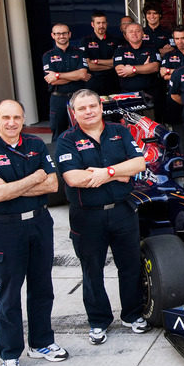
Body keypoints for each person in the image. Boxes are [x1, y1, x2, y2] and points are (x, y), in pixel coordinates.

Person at [0, 100, 67, 366]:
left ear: (24, 119)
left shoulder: (36, 145)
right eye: (5, 117)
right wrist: (34, 177)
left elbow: (52, 184)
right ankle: (10, 355)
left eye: (17, 117)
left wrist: (13, 186)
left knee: (42, 286)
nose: (11, 122)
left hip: (39, 223)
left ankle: (41, 343)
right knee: (9, 293)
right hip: (5, 229)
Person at [56, 89, 149, 345]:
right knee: (92, 270)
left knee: (130, 266)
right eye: (82, 108)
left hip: (122, 211)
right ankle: (98, 322)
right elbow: (73, 178)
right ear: (74, 113)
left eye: (92, 106)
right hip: (87, 217)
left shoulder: (119, 131)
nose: (88, 112)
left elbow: (139, 164)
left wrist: (104, 171)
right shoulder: (66, 140)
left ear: (100, 107)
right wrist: (119, 174)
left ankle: (132, 315)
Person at [42, 23, 90, 140]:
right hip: (58, 98)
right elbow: (52, 81)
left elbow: (83, 74)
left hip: (78, 98)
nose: (61, 36)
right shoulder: (48, 56)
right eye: (58, 34)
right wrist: (75, 75)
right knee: (58, 132)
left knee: (84, 130)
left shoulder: (79, 52)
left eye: (64, 33)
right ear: (53, 36)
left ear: (69, 34)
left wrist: (58, 75)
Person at [113, 22, 160, 94]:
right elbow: (121, 72)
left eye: (137, 31)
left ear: (142, 33)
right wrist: (144, 67)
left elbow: (155, 67)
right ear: (126, 35)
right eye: (131, 32)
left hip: (150, 93)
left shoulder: (152, 48)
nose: (134, 34)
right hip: (128, 94)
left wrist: (132, 69)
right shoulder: (120, 50)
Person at [80, 11, 117, 96]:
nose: (101, 25)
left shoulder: (115, 40)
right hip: (93, 83)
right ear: (92, 24)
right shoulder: (85, 41)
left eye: (103, 23)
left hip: (112, 83)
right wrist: (111, 65)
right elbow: (89, 66)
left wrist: (97, 61)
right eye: (98, 23)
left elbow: (117, 62)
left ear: (107, 24)